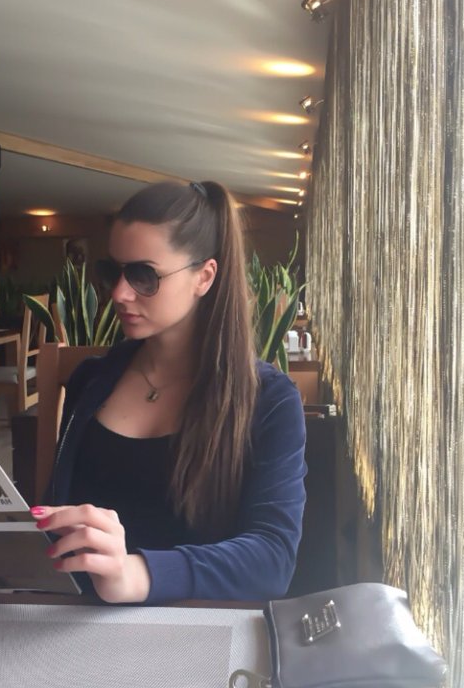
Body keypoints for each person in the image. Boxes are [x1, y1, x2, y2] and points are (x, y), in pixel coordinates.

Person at [30, 180, 306, 604]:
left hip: (198, 629)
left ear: (204, 277)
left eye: (144, 275)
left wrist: (134, 574)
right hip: (76, 619)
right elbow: (58, 514)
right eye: (113, 272)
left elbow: (272, 559)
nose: (119, 294)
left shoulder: (268, 401)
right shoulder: (91, 382)